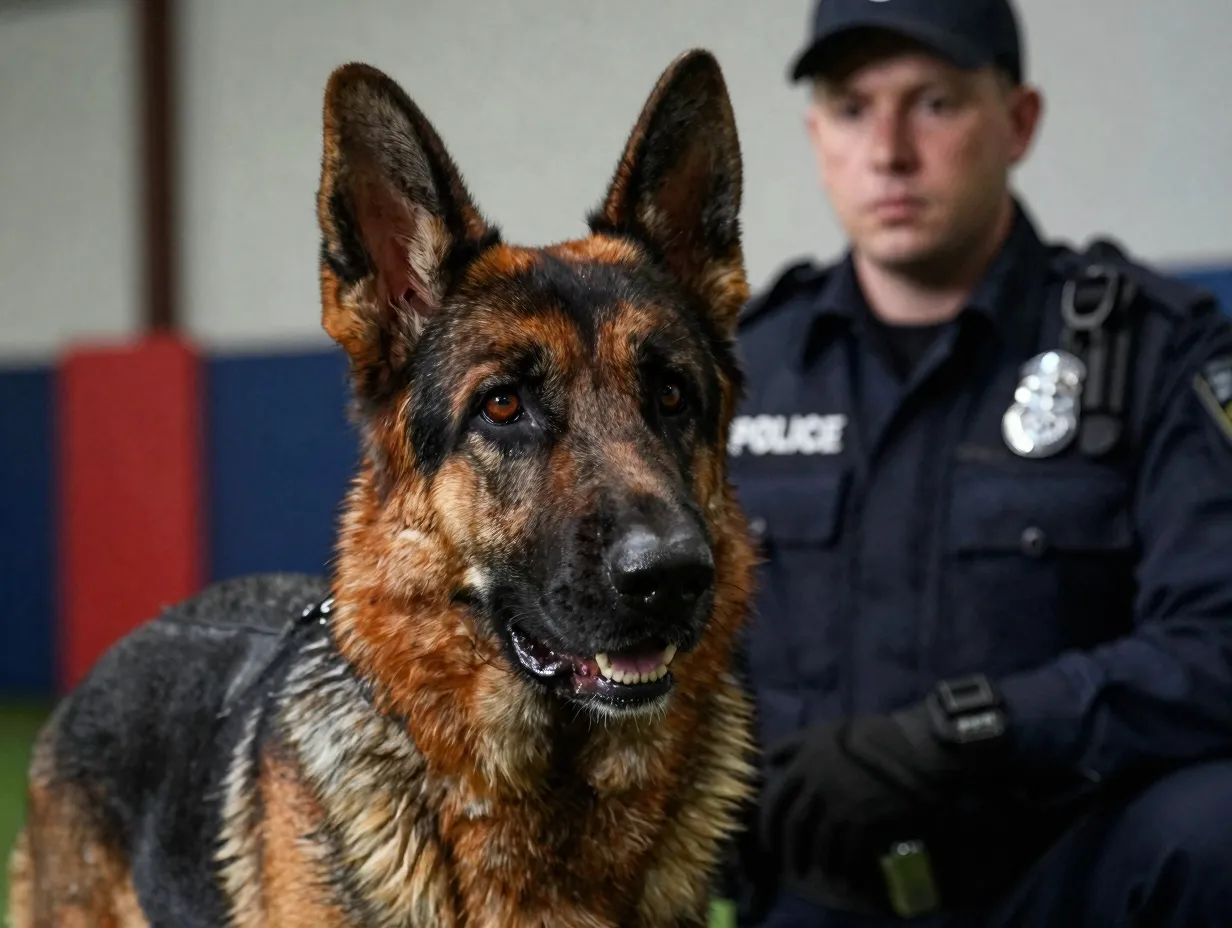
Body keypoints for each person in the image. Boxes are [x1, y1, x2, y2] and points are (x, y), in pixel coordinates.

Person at [725, 0, 1232, 925]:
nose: (888, 151)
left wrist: (961, 734)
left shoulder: (1156, 352)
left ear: (1020, 121)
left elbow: (1216, 646)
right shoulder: (739, 370)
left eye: (934, 104)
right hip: (812, 882)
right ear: (814, 133)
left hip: (1058, 875)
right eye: (851, 108)